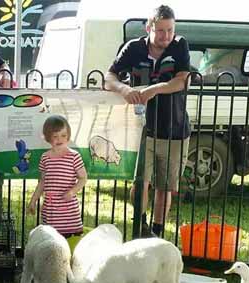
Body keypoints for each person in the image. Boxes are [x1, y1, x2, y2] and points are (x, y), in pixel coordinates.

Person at [105, 5, 190, 237]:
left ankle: (157, 230)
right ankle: (140, 226)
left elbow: (182, 81)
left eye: (170, 30)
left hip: (174, 128)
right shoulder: (133, 48)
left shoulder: (180, 45)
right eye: (160, 30)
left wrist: (153, 90)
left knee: (165, 186)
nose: (166, 36)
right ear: (148, 27)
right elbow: (108, 76)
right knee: (140, 181)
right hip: (139, 129)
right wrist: (123, 89)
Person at [28, 115, 87, 238]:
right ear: (48, 138)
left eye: (63, 135)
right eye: (55, 136)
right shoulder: (45, 157)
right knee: (51, 241)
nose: (60, 139)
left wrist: (72, 191)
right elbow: (42, 182)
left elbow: (83, 178)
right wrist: (33, 201)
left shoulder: (74, 156)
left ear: (68, 136)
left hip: (68, 210)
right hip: (50, 210)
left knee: (71, 242)